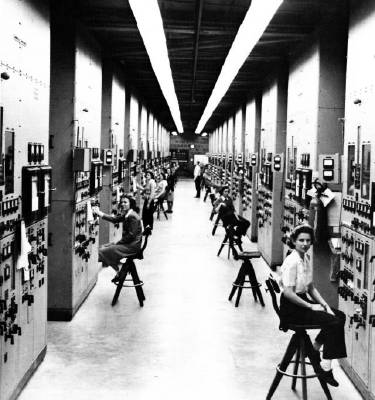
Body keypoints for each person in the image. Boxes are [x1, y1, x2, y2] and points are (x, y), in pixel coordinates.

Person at [279, 224, 346, 387]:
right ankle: (326, 367)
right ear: (294, 241)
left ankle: (315, 348)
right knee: (334, 322)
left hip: (301, 300)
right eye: (301, 240)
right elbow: (288, 292)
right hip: (291, 307)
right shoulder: (292, 261)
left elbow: (311, 288)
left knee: (338, 315)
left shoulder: (305, 258)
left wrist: (324, 305)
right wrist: (310, 307)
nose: (305, 243)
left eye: (308, 240)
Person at [93, 195, 143, 282]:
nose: (123, 204)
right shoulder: (128, 214)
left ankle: (119, 269)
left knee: (103, 251)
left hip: (132, 246)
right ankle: (119, 268)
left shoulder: (132, 216)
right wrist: (99, 213)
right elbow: (114, 219)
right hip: (129, 244)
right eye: (122, 202)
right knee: (102, 248)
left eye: (125, 202)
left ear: (131, 204)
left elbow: (131, 235)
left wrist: (118, 243)